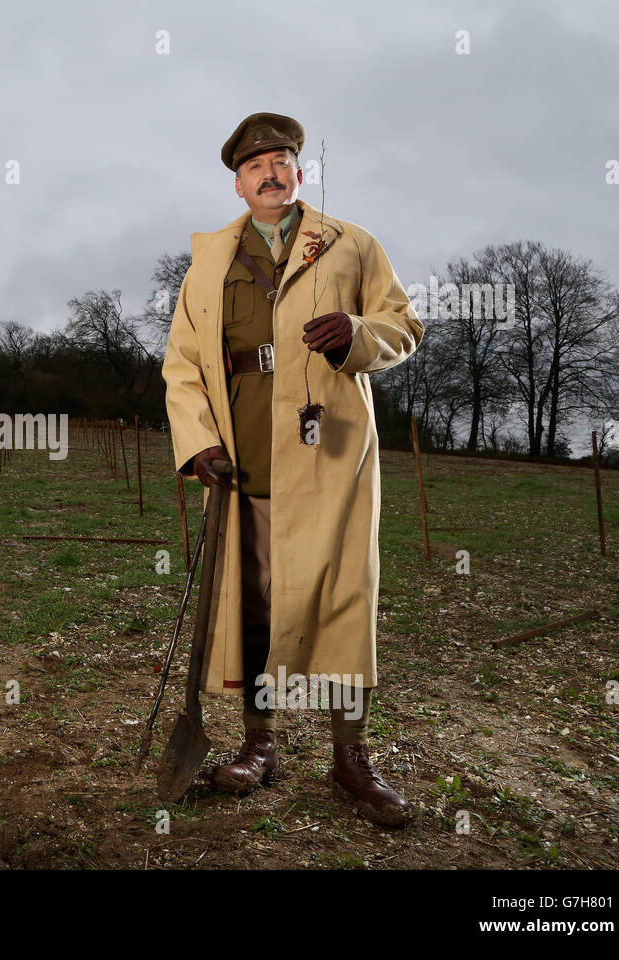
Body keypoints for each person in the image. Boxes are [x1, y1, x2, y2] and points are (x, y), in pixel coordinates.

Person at [162, 112, 423, 826]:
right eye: (254, 167)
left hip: (331, 457)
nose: (269, 174)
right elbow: (182, 362)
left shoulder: (351, 244)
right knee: (253, 607)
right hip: (245, 462)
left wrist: (359, 336)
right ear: (239, 183)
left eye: (281, 162)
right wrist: (197, 441)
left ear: (298, 172)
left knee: (342, 602)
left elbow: (404, 325)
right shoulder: (210, 259)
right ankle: (259, 743)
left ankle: (350, 757)